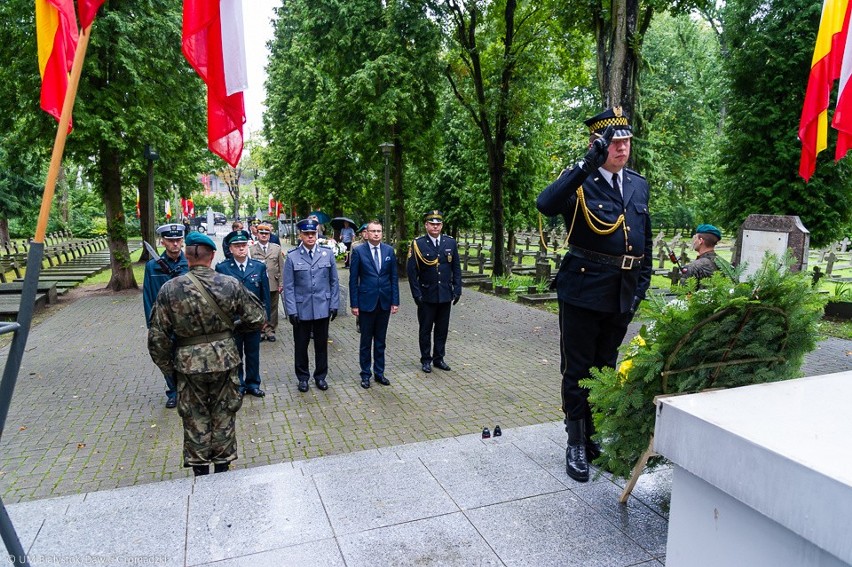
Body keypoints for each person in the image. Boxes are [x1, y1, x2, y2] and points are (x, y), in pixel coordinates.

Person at [536, 107, 652, 483]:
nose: (623, 149)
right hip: (583, 289)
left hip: (621, 294)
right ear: (598, 144)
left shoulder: (637, 184)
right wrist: (585, 165)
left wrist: (640, 290)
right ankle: (575, 441)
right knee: (578, 369)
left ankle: (594, 436)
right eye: (615, 142)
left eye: (627, 141)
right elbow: (545, 204)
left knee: (605, 369)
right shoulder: (580, 181)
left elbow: (644, 243)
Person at [147, 231, 266, 476]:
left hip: (188, 366)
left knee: (194, 416)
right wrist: (232, 332)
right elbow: (257, 317)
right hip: (225, 360)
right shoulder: (229, 284)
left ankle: (200, 472)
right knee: (224, 413)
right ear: (212, 256)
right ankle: (222, 468)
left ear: (187, 256)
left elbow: (157, 338)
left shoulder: (170, 289)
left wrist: (171, 370)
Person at [282, 219, 340, 392]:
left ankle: (320, 376)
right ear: (300, 235)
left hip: (322, 307)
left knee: (321, 345)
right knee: (301, 346)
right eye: (306, 234)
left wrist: (334, 304)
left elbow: (334, 281)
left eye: (313, 233)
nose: (310, 237)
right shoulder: (292, 256)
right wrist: (291, 310)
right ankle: (303, 378)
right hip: (301, 309)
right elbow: (289, 286)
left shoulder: (327, 254)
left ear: (317, 234)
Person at [215, 229, 271, 397]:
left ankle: (253, 383)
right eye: (236, 246)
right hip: (233, 321)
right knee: (236, 354)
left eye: (243, 245)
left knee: (253, 354)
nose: (241, 248)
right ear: (230, 248)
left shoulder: (259, 267)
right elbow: (219, 296)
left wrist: (265, 317)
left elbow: (265, 294)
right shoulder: (222, 268)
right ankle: (238, 385)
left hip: (253, 320)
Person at [407, 210, 462, 373]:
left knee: (442, 329)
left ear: (442, 225)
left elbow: (456, 267)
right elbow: (411, 272)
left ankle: (439, 358)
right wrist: (416, 294)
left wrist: (457, 288)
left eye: (438, 224)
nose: (435, 226)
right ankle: (426, 360)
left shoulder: (450, 243)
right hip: (426, 295)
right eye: (432, 223)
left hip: (445, 294)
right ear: (426, 225)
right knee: (425, 329)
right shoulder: (418, 244)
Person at [142, 223, 190, 408]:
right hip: (163, 322)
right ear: (163, 242)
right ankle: (173, 392)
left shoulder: (189, 265)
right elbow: (148, 296)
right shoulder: (152, 267)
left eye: (178, 240)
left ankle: (188, 391)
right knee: (166, 357)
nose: (175, 244)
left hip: (186, 321)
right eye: (171, 241)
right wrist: (151, 324)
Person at [349, 220, 400, 389]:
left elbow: (393, 277)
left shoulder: (388, 251)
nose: (376, 234)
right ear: (367, 233)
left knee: (380, 341)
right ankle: (365, 374)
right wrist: (354, 303)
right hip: (366, 302)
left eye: (379, 231)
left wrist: (395, 300)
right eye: (373, 231)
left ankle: (379, 373)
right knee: (365, 341)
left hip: (384, 301)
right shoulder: (358, 251)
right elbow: (353, 280)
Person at [250, 223, 285, 342]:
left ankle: (270, 330)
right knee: (259, 307)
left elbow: (281, 267)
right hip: (257, 284)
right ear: (257, 234)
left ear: (270, 235)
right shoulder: (251, 249)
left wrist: (281, 283)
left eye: (266, 233)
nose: (264, 235)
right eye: (261, 233)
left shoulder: (276, 248)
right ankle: (261, 329)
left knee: (273, 308)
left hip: (273, 282)